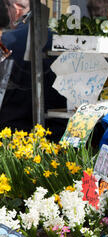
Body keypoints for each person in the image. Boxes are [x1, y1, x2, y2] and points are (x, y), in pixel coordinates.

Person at [0, 0, 67, 140]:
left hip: (12, 134)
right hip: (58, 132)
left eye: (7, 6)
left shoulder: (7, 43)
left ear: (17, 9)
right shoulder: (60, 39)